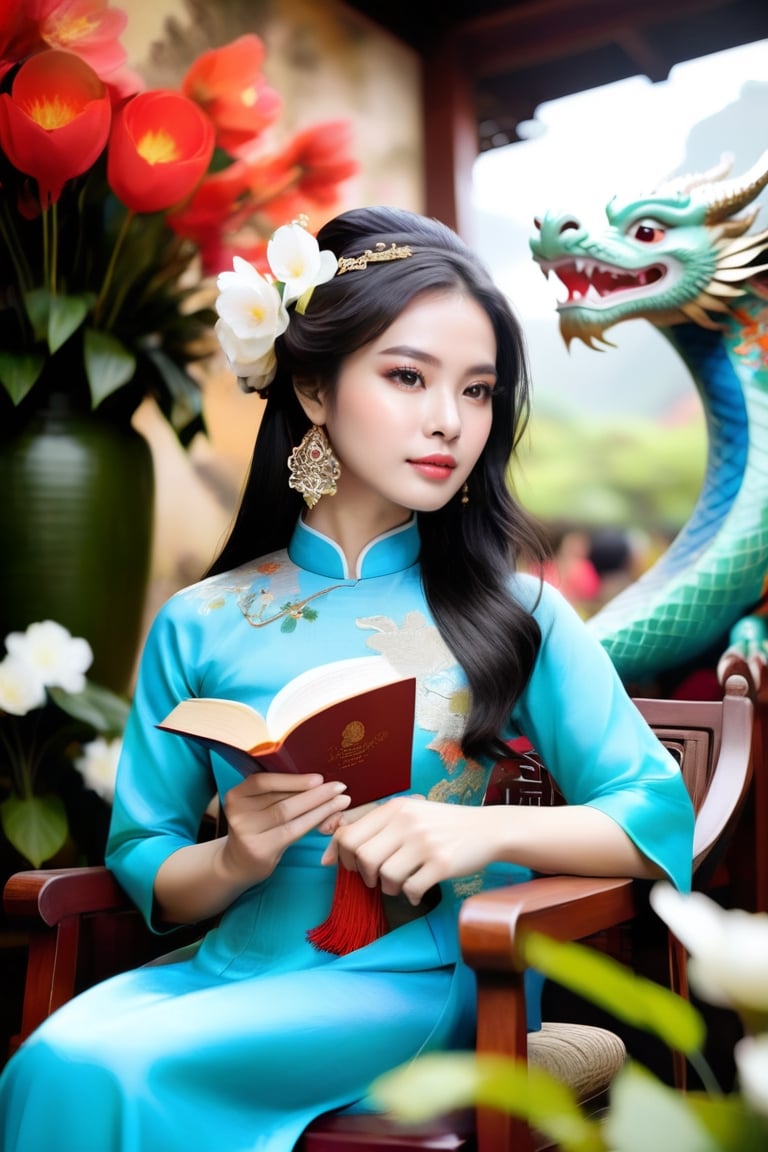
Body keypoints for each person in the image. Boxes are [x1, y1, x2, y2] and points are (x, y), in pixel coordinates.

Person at [0, 206, 695, 1151]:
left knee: (109, 1068)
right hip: (231, 963)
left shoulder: (515, 611)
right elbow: (145, 855)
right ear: (315, 388)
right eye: (408, 377)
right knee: (46, 1059)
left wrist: (469, 828)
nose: (450, 421)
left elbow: (653, 811)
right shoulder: (200, 620)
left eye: (479, 390)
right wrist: (233, 858)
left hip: (425, 973)